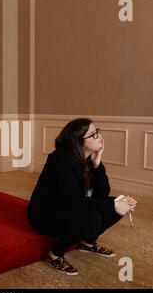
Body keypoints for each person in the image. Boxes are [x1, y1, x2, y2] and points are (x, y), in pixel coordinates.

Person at [27, 118, 134, 275]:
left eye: (97, 132)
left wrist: (97, 164)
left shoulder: (87, 158)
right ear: (78, 141)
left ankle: (87, 242)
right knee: (94, 217)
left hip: (69, 207)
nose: (99, 137)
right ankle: (54, 254)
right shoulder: (61, 160)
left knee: (119, 203)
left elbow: (102, 194)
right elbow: (76, 201)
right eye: (93, 135)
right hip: (46, 214)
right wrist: (112, 205)